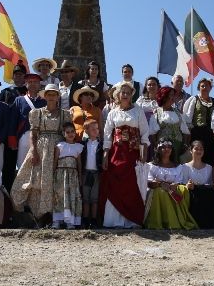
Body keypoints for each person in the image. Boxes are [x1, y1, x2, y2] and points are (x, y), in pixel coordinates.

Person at [11, 83, 71, 224]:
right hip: (41, 148)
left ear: (58, 96)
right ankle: (36, 213)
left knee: (54, 181)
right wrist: (33, 150)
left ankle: (53, 215)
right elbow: (33, 133)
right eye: (48, 94)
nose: (51, 97)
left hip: (57, 150)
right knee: (32, 179)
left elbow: (68, 134)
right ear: (45, 96)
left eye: (54, 94)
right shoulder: (37, 113)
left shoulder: (65, 114)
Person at [100, 81, 150, 228]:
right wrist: (105, 154)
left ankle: (131, 219)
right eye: (123, 92)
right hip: (116, 153)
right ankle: (114, 220)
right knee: (115, 183)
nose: (126, 95)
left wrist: (144, 152)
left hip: (133, 153)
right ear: (118, 95)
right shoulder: (112, 113)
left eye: (128, 93)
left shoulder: (138, 111)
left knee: (131, 184)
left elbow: (145, 133)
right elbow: (107, 135)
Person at [145, 137, 198, 230]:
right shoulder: (151, 166)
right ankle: (160, 221)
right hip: (157, 191)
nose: (167, 149)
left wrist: (174, 185)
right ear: (158, 149)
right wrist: (161, 184)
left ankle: (175, 221)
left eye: (169, 147)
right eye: (163, 147)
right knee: (160, 192)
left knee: (180, 190)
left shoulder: (178, 167)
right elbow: (149, 183)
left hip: (173, 190)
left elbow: (179, 182)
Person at [7, 73, 45, 170]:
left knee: (39, 164)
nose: (33, 84)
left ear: (39, 84)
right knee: (22, 165)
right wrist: (12, 138)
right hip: (24, 135)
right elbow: (13, 120)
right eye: (30, 82)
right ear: (26, 84)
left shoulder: (44, 101)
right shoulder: (19, 100)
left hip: (41, 136)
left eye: (35, 82)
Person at [53, 122, 84, 229]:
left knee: (71, 197)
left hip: (73, 176)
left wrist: (80, 176)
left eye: (72, 131)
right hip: (61, 175)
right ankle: (57, 221)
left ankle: (70, 221)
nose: (70, 134)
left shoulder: (78, 147)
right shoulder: (60, 146)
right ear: (63, 133)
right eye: (68, 132)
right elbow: (55, 161)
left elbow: (79, 164)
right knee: (60, 197)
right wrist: (53, 174)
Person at [182, 78, 214, 165]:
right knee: (197, 156)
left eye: (207, 86)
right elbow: (188, 118)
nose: (205, 87)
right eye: (202, 86)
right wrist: (187, 137)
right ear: (199, 88)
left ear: (210, 88)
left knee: (210, 157)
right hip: (197, 133)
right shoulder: (194, 100)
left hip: (211, 134)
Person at [149, 86, 190, 162]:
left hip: (178, 147)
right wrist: (156, 146)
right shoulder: (157, 113)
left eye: (173, 95)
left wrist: (184, 145)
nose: (173, 97)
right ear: (164, 96)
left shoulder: (178, 113)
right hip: (163, 148)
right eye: (170, 95)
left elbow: (186, 132)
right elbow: (153, 134)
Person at [184, 141, 214, 229]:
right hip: (191, 196)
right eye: (196, 148)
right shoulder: (184, 167)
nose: (199, 151)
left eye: (201, 149)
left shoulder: (208, 167)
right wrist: (188, 185)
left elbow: (210, 185)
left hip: (205, 197)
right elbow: (183, 184)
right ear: (191, 150)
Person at [80, 120, 103, 229]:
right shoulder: (83, 145)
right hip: (86, 174)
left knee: (94, 199)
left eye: (97, 128)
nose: (95, 130)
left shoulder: (101, 145)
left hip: (96, 174)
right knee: (85, 198)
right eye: (92, 128)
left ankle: (93, 220)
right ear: (86, 131)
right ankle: (85, 220)